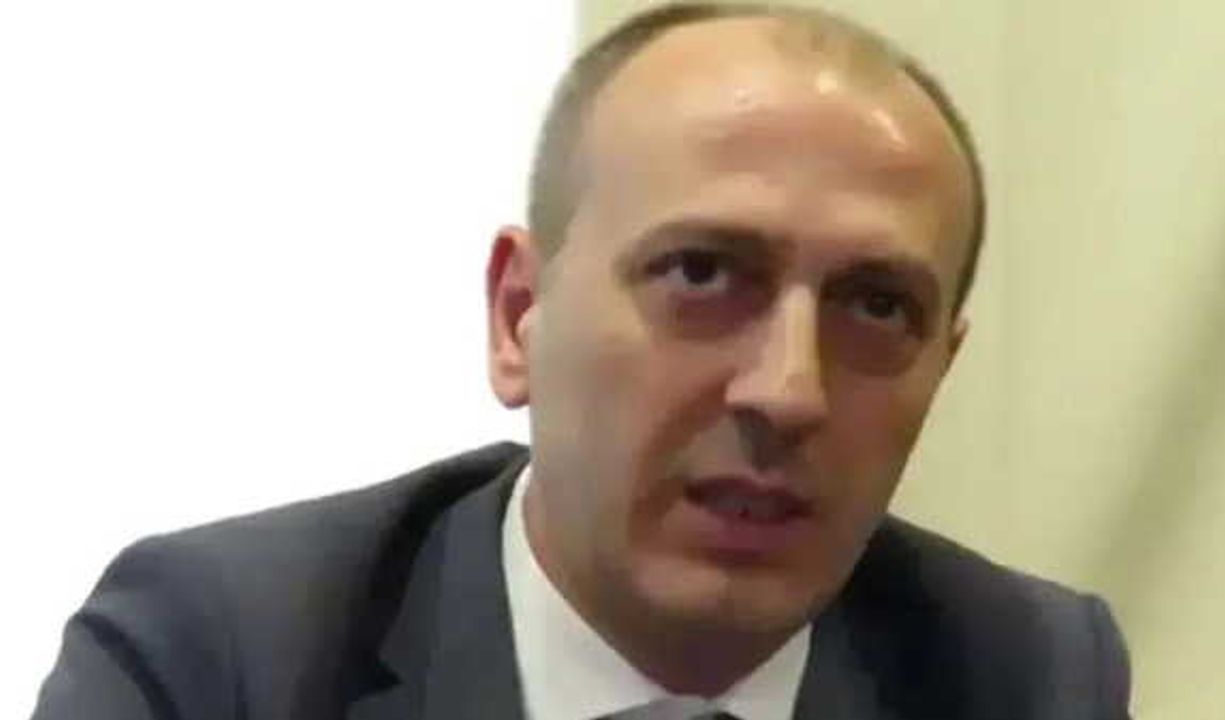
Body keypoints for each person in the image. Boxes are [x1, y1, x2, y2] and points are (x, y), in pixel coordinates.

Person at [31, 2, 1132, 719]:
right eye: (702, 273)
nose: (788, 390)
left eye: (877, 306)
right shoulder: (225, 655)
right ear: (520, 317)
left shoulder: (1024, 677)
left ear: (940, 367)